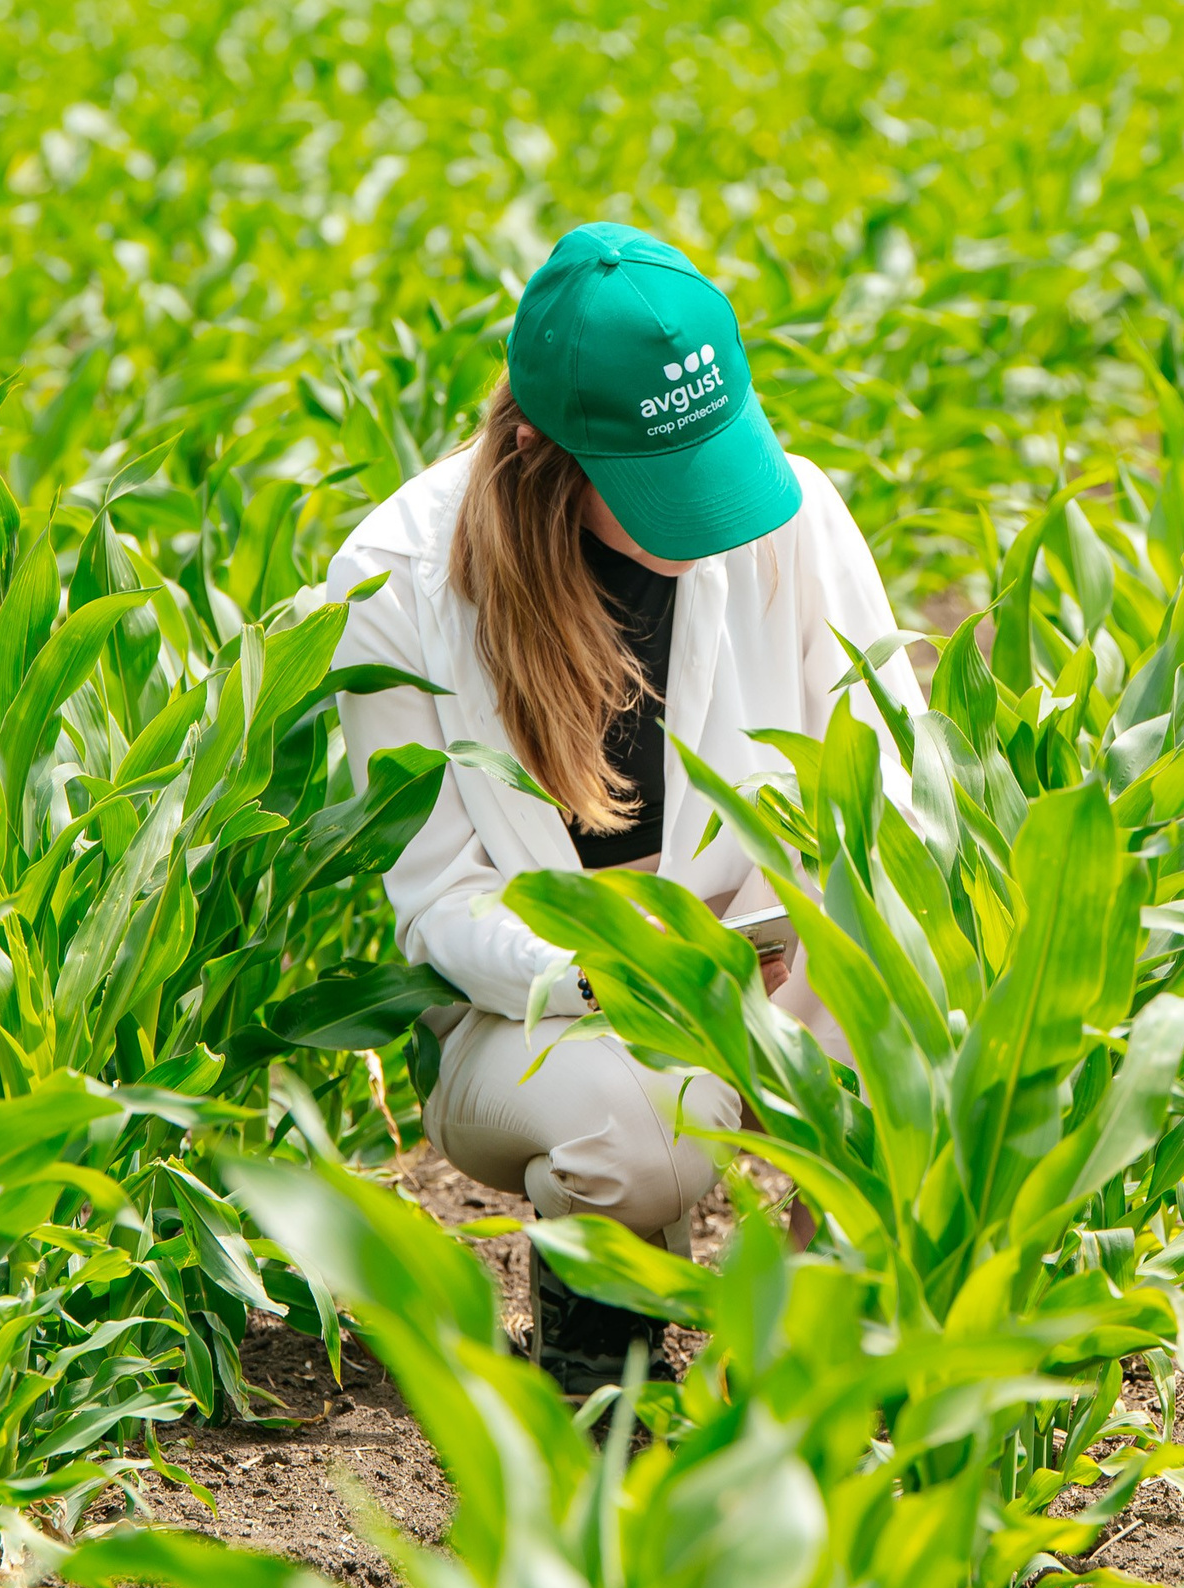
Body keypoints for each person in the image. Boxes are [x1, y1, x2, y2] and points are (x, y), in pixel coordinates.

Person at [323, 222, 918, 1391]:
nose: (714, 523)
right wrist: (608, 972)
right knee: (636, 1130)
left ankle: (802, 1353)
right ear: (547, 454)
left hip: (762, 961)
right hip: (534, 1008)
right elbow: (441, 900)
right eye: (666, 487)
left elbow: (894, 792)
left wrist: (804, 965)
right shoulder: (397, 579)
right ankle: (599, 1377)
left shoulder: (793, 511)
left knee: (934, 998)